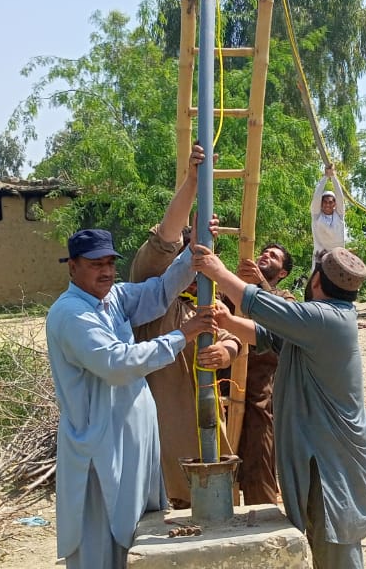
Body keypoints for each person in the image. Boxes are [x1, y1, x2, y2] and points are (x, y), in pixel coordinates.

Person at [192, 244, 366, 569]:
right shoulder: (319, 322)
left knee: (336, 552)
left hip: (331, 468)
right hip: (319, 460)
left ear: (316, 282)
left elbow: (261, 304)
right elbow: (268, 335)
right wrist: (228, 321)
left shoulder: (324, 320)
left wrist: (217, 271)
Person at [46, 228, 217, 568]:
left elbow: (161, 291)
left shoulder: (112, 299)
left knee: (137, 535)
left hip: (130, 443)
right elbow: (117, 363)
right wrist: (182, 336)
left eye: (110, 262)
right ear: (73, 267)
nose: (106, 271)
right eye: (96, 264)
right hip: (100, 447)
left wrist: (192, 249)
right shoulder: (72, 314)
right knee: (101, 540)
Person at [131, 143, 242, 509]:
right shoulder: (150, 297)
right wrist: (193, 183)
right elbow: (165, 238)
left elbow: (233, 338)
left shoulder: (208, 303)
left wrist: (225, 351)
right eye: (192, 257)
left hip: (210, 453)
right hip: (162, 460)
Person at [229, 243, 295, 505]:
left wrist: (259, 288)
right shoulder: (238, 288)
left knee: (261, 458)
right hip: (225, 383)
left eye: (274, 256)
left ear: (283, 273)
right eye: (264, 252)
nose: (266, 255)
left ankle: (263, 520)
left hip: (261, 390)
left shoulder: (284, 296)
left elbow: (287, 320)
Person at [310, 165, 346, 272]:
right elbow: (316, 196)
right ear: (321, 204)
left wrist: (333, 177)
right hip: (320, 255)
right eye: (325, 202)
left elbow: (340, 196)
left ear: (334, 204)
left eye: (330, 202)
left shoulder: (339, 215)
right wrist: (325, 177)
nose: (327, 205)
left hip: (337, 256)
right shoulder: (317, 216)